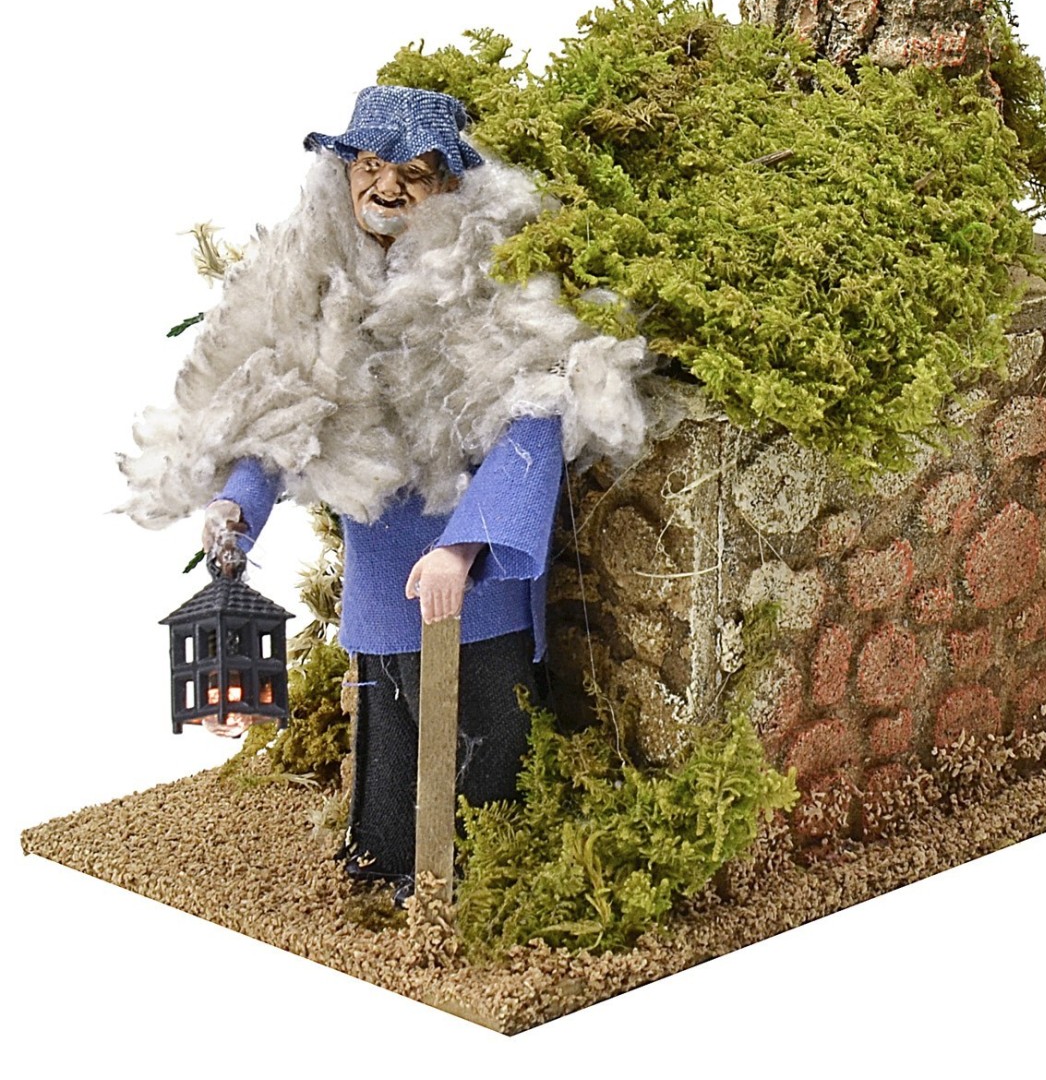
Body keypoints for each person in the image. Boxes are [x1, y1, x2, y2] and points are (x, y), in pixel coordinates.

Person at [120, 86, 650, 902]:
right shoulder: (326, 298)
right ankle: (386, 859)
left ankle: (484, 877)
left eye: (414, 171)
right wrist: (236, 510)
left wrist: (463, 548)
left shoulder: (491, 298)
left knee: (489, 732)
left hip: (476, 601)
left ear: (451, 186)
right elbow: (284, 417)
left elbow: (534, 423)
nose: (387, 186)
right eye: (369, 165)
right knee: (389, 729)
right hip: (377, 590)